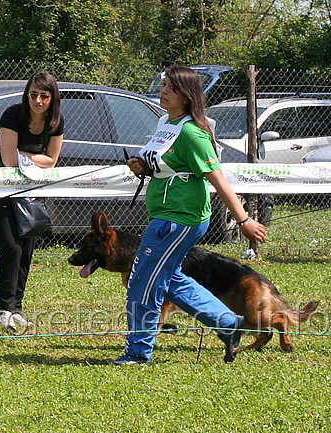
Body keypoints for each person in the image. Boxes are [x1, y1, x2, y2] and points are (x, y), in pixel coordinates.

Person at [110, 65, 266, 366]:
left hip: (178, 221)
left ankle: (137, 353)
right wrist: (144, 166)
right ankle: (228, 324)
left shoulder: (194, 133)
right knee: (169, 279)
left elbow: (218, 179)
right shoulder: (166, 123)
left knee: (142, 281)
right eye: (164, 84)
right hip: (166, 216)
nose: (164, 90)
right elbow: (166, 163)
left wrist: (243, 220)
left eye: (171, 87)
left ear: (187, 96)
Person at [0, 72, 64, 334]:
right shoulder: (12, 114)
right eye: (33, 95)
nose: (38, 101)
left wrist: (25, 155)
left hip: (31, 192)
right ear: (26, 94)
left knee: (27, 252)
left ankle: (16, 310)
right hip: (1, 190)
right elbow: (7, 159)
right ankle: (4, 310)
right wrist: (36, 156)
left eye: (44, 96)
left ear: (52, 99)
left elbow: (52, 160)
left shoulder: (56, 122)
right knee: (11, 248)